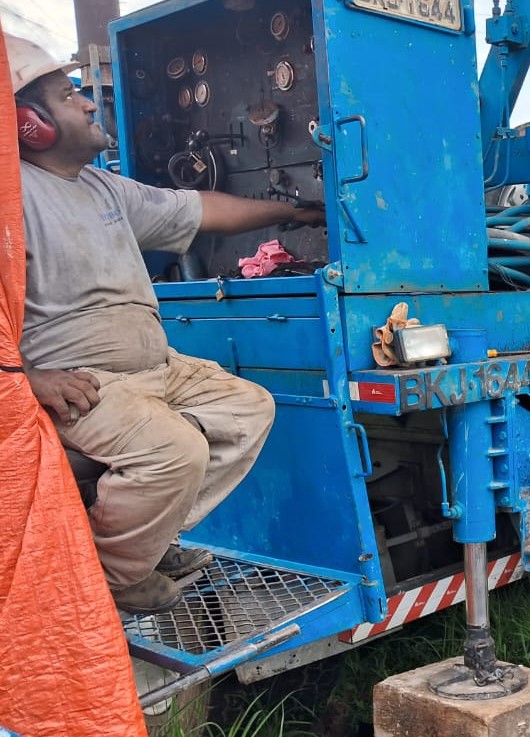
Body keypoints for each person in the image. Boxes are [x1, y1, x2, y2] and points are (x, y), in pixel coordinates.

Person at [6, 34, 325, 615]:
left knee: (248, 411)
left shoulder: (102, 186)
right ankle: (109, 575)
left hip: (158, 366)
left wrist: (293, 212)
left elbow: (200, 208)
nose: (86, 102)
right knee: (175, 452)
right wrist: (27, 377)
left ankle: (143, 539)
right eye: (68, 94)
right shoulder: (13, 198)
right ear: (30, 123)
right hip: (85, 381)